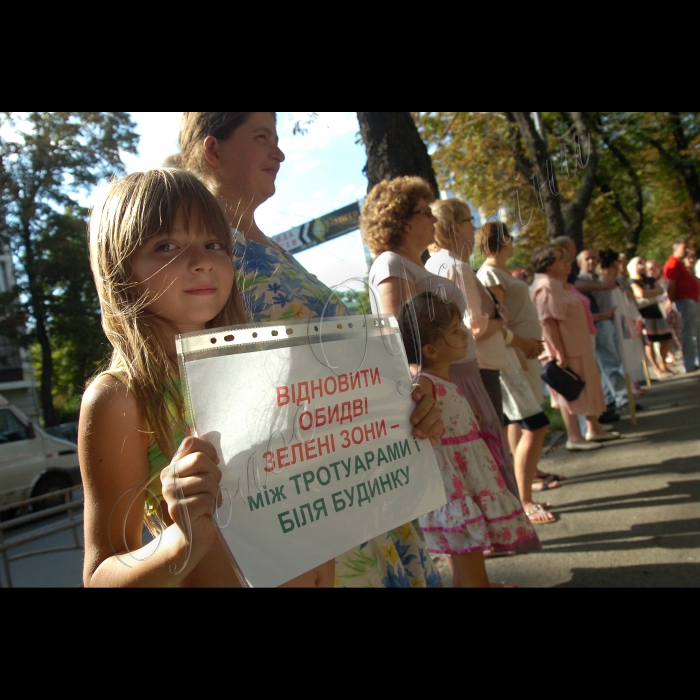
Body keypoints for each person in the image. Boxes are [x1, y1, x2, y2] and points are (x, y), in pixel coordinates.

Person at [176, 112, 444, 588]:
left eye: (278, 139)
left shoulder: (269, 249)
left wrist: (399, 395)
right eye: (262, 139)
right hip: (307, 512)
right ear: (212, 151)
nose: (279, 153)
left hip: (355, 483)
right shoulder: (201, 264)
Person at [80, 169, 250, 588]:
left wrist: (398, 405)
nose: (201, 261)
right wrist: (182, 540)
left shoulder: (258, 365)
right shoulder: (120, 397)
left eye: (214, 244)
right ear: (120, 271)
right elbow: (100, 576)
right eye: (167, 245)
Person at [364, 180, 544, 536]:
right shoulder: (391, 264)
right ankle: (471, 566)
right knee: (465, 478)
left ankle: (479, 560)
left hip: (458, 377)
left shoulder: (413, 264)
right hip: (445, 381)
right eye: (423, 211)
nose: (433, 218)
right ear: (399, 218)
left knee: (478, 472)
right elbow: (405, 340)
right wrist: (443, 396)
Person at [398, 293, 537, 586]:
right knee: (465, 546)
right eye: (454, 330)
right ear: (431, 349)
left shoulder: (443, 380)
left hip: (467, 478)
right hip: (456, 485)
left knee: (467, 549)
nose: (464, 334)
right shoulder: (424, 383)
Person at [427, 206, 553, 524]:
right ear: (456, 228)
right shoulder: (455, 266)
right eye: (470, 221)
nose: (474, 228)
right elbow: (476, 327)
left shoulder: (436, 264)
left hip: (470, 367)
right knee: (492, 446)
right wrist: (501, 317)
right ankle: (506, 517)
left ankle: (499, 517)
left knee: (486, 444)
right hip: (480, 367)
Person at [531, 245, 620, 451]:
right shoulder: (546, 286)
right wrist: (558, 352)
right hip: (566, 350)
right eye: (561, 260)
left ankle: (593, 428)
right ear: (548, 265)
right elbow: (548, 322)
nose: (567, 264)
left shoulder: (557, 284)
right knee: (568, 392)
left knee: (584, 389)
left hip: (576, 346)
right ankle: (574, 437)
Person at [576, 249, 631, 414]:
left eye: (594, 258)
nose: (591, 262)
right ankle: (622, 398)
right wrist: (602, 286)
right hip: (599, 323)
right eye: (587, 259)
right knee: (609, 363)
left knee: (613, 361)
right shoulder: (581, 281)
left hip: (609, 321)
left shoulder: (598, 278)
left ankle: (609, 399)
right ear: (580, 263)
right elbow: (582, 287)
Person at [628, 256, 675, 376]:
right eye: (639, 262)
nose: (642, 264)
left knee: (666, 337)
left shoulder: (649, 279)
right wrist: (649, 293)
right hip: (643, 313)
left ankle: (663, 362)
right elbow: (640, 293)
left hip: (656, 310)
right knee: (649, 341)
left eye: (643, 262)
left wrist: (648, 294)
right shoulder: (632, 281)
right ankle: (655, 367)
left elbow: (661, 290)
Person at [664, 240, 700, 373]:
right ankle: (690, 363)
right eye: (684, 248)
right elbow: (671, 284)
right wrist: (670, 300)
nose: (686, 250)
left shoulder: (680, 264)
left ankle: (695, 360)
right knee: (689, 332)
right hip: (685, 300)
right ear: (676, 248)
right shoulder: (672, 263)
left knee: (696, 331)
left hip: (691, 299)